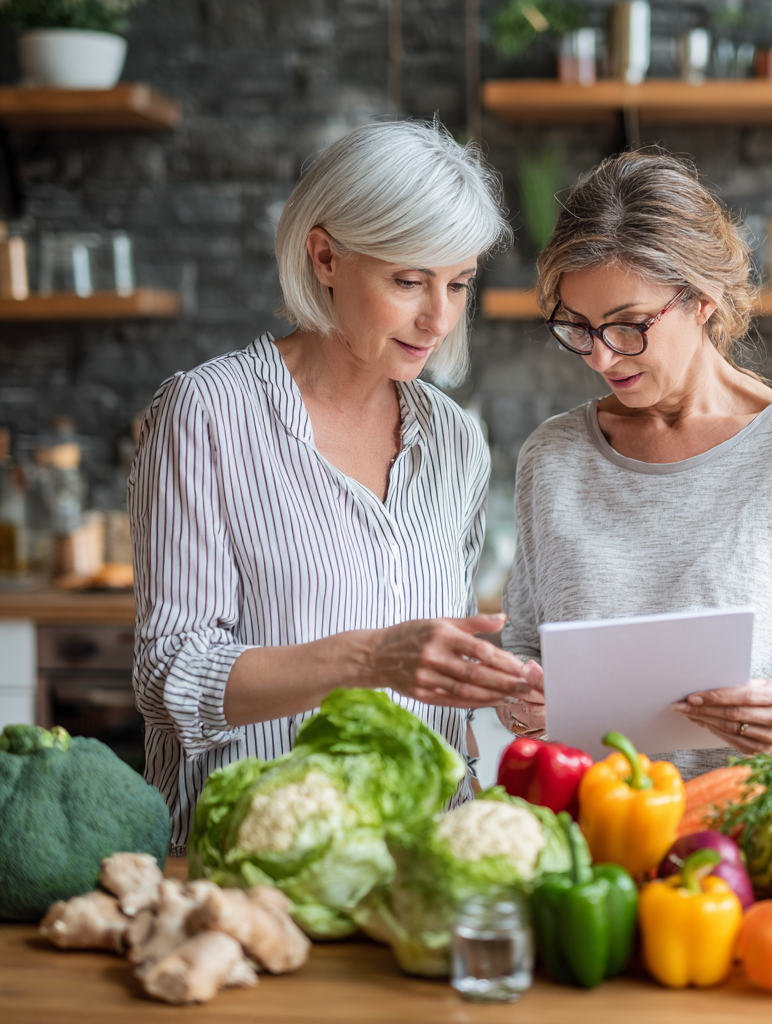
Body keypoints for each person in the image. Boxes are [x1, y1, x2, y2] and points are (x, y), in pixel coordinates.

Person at [129, 121, 535, 854]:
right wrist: (367, 660)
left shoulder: (455, 440)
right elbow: (171, 677)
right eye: (408, 280)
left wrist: (506, 687)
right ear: (324, 257)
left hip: (420, 864)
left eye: (458, 284)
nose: (438, 318)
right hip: (256, 865)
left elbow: (437, 654)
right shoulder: (209, 413)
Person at [499, 150, 772, 777]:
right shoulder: (553, 456)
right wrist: (520, 699)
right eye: (580, 327)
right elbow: (525, 648)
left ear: (702, 298)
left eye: (628, 325)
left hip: (740, 834)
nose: (601, 356)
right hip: (579, 834)